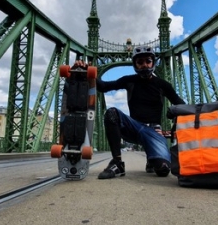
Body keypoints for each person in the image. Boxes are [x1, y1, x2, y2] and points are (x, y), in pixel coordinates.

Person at [76, 45, 185, 179]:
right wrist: (87, 72)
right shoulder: (129, 81)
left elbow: (181, 105)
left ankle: (152, 159)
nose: (144, 65)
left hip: (153, 131)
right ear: (135, 64)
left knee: (163, 170)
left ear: (153, 63)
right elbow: (104, 87)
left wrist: (193, 114)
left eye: (148, 61)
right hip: (133, 128)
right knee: (112, 113)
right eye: (140, 62)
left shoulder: (163, 85)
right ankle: (117, 163)